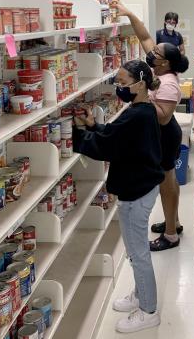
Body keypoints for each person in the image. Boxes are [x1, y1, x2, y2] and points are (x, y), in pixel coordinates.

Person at [72, 60, 164, 333]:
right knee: (135, 252)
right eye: (118, 82)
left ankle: (148, 310)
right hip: (140, 186)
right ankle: (141, 293)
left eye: (123, 83)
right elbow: (115, 135)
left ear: (141, 83)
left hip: (137, 192)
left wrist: (72, 137)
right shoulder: (140, 110)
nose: (119, 88)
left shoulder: (137, 115)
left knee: (138, 252)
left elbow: (108, 146)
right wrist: (93, 126)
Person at [117, 2, 190, 251]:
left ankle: (170, 235)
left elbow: (163, 117)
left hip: (165, 135)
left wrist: (143, 95)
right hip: (161, 136)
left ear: (164, 62)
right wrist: (129, 14)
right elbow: (145, 36)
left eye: (156, 52)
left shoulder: (168, 83)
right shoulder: (157, 67)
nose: (151, 51)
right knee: (167, 182)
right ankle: (174, 221)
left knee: (167, 183)